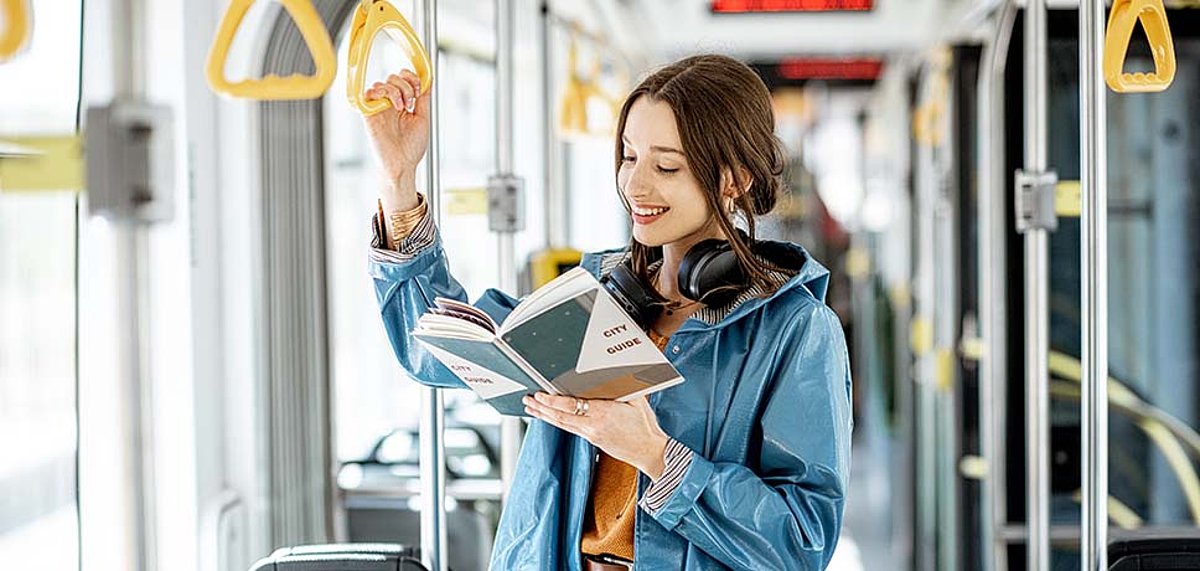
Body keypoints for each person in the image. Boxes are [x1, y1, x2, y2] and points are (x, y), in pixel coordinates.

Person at [364, 54, 852, 570]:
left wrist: (660, 458)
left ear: (734, 178)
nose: (635, 186)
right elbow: (434, 348)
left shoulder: (794, 331)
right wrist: (398, 181)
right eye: (628, 156)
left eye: (666, 166)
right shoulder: (595, 300)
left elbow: (801, 541)